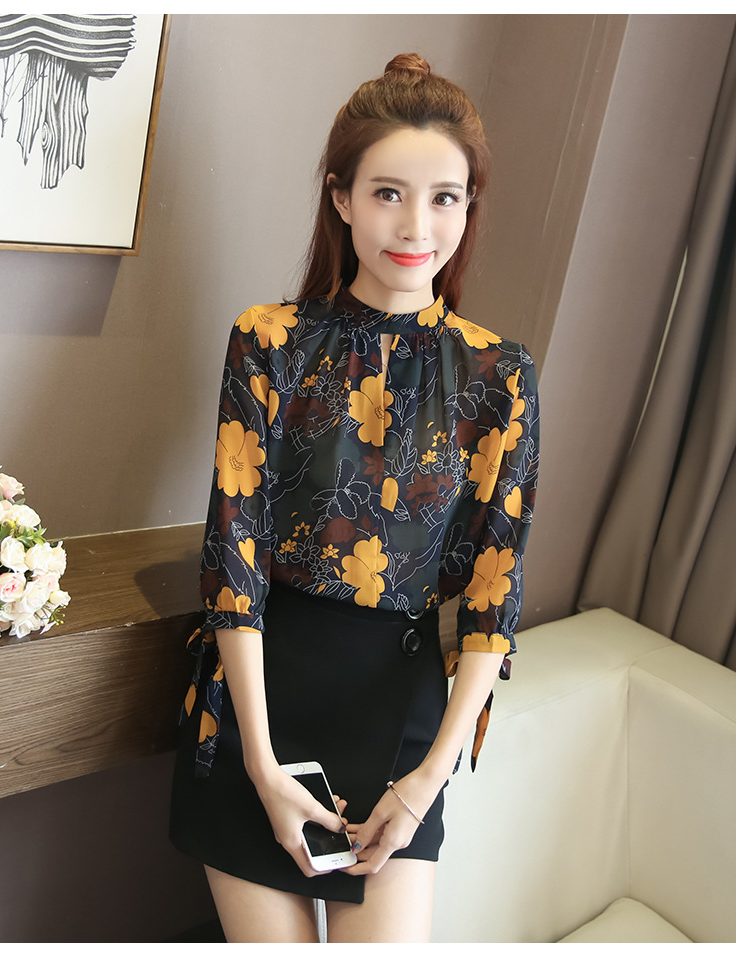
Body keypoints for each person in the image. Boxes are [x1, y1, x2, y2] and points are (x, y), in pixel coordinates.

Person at [169, 52, 540, 943]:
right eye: (387, 193)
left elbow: (493, 599)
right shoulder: (269, 342)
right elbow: (233, 559)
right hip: (258, 703)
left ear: (470, 206)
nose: (416, 225)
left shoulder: (500, 375)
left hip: (401, 716)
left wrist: (426, 783)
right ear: (340, 198)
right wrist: (262, 766)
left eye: (445, 197)